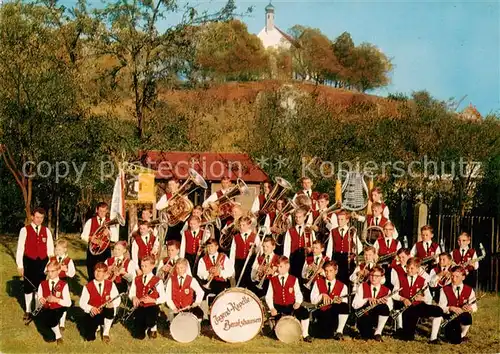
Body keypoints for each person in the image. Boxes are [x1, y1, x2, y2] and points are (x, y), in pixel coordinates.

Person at [16, 207, 54, 321]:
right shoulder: (24, 230)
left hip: (42, 262)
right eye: (37, 217)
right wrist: (20, 265)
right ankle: (28, 310)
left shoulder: (46, 231)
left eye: (41, 218)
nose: (39, 220)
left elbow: (50, 249)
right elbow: (20, 249)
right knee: (28, 288)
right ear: (32, 217)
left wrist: (50, 264)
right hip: (29, 261)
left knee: (40, 287)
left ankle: (38, 309)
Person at [391, 257, 443, 342]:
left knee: (438, 311)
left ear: (418, 269)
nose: (409, 270)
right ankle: (401, 331)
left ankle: (433, 338)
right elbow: (394, 294)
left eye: (412, 268)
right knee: (408, 338)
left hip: (418, 305)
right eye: (407, 267)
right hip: (406, 307)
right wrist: (403, 299)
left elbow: (428, 298)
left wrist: (422, 298)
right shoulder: (400, 278)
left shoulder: (423, 280)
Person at [265, 256, 312, 343]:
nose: (279, 269)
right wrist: (272, 308)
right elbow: (268, 296)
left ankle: (305, 334)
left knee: (304, 312)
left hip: (291, 306)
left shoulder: (294, 279)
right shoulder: (273, 280)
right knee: (277, 330)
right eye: (278, 266)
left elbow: (298, 294)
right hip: (278, 306)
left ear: (287, 266)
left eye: (281, 267)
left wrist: (297, 303)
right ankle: (276, 330)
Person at [79, 262, 121, 342]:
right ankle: (96, 326)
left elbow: (118, 299)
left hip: (106, 311)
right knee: (89, 338)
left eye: (101, 271)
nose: (98, 273)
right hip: (93, 312)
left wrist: (112, 304)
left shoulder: (111, 284)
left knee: (110, 310)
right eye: (96, 271)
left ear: (105, 273)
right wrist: (91, 308)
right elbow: (82, 303)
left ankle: (106, 333)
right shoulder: (88, 286)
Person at [128, 256, 166, 339]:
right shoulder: (136, 279)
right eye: (142, 266)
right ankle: (143, 325)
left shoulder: (157, 281)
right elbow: (131, 293)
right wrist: (134, 297)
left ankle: (153, 327)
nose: (143, 268)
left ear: (152, 266)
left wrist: (153, 300)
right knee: (139, 336)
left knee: (150, 320)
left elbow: (164, 297)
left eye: (146, 266)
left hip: (152, 306)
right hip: (140, 306)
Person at [352, 266, 393, 341]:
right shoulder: (362, 286)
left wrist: (382, 303)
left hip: (378, 318)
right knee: (366, 336)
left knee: (384, 307)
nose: (374, 278)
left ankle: (378, 332)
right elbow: (354, 304)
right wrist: (367, 300)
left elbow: (390, 308)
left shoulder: (387, 290)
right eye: (371, 275)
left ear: (382, 277)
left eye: (377, 276)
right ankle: (367, 331)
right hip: (364, 315)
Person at [310, 261, 349, 340]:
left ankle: (339, 331)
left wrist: (340, 301)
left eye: (331, 271)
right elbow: (313, 301)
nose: (328, 273)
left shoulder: (343, 286)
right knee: (325, 335)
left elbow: (345, 303)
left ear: (336, 271)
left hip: (334, 312)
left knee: (344, 306)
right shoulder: (318, 283)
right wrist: (322, 295)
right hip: (321, 312)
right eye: (326, 271)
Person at [438, 266, 478, 344]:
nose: (454, 279)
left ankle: (462, 335)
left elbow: (475, 306)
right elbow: (441, 307)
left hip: (462, 315)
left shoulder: (469, 289)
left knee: (468, 317)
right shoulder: (444, 289)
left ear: (463, 277)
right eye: (452, 276)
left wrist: (470, 308)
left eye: (457, 276)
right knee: (454, 341)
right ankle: (448, 332)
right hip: (449, 316)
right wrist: (451, 308)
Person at [81, 202, 118, 280]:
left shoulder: (110, 222)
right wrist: (91, 239)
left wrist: (108, 234)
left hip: (105, 251)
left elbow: (115, 238)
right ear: (96, 210)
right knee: (91, 273)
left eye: (104, 211)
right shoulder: (90, 221)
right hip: (92, 252)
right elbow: (83, 236)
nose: (102, 213)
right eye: (100, 211)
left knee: (105, 273)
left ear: (107, 211)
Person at [36, 261, 71, 344]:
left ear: (59, 271)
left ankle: (58, 336)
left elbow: (68, 303)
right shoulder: (42, 284)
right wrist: (40, 299)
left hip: (58, 308)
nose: (50, 274)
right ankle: (54, 334)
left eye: (53, 271)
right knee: (49, 338)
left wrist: (56, 300)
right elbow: (39, 296)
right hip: (46, 308)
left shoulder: (63, 284)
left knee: (51, 317)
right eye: (48, 271)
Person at [45, 239, 75, 329]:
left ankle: (62, 323)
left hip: (64, 282)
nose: (57, 251)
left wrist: (66, 270)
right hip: (53, 283)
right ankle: (53, 318)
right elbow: (45, 271)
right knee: (53, 299)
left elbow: (72, 273)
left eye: (60, 250)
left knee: (63, 301)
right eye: (56, 249)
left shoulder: (69, 260)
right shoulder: (52, 259)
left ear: (65, 250)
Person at [325, 211, 362, 284]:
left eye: (342, 219)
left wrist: (353, 255)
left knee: (347, 277)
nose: (339, 221)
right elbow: (329, 247)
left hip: (347, 257)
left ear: (347, 220)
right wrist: (329, 260)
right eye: (338, 219)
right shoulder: (333, 231)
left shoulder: (352, 231)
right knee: (337, 277)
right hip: (336, 257)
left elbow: (360, 246)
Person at [197, 239, 234, 304]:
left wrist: (220, 272)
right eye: (208, 247)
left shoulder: (223, 257)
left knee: (219, 287)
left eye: (212, 246)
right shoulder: (202, 259)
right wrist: (208, 273)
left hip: (222, 282)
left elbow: (231, 271)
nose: (209, 248)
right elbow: (199, 273)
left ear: (217, 247)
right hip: (209, 282)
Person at [283, 208, 315, 279]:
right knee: (293, 278)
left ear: (305, 217)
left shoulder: (309, 231)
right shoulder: (290, 231)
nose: (297, 219)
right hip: (293, 259)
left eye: (300, 217)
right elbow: (286, 249)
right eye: (296, 217)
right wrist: (286, 263)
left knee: (304, 278)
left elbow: (314, 246)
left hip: (306, 258)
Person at [230, 216, 261, 288]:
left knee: (250, 282)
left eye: (243, 225)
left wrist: (254, 251)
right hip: (239, 263)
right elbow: (232, 253)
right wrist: (232, 267)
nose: (241, 227)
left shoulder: (255, 236)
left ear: (249, 225)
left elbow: (259, 251)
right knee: (240, 282)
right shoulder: (236, 237)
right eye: (240, 225)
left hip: (251, 262)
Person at [156, 177, 185, 242]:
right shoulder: (166, 196)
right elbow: (157, 206)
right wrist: (168, 203)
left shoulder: (183, 195)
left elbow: (187, 207)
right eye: (169, 185)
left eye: (172, 184)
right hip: (170, 223)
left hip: (181, 222)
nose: (171, 186)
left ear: (177, 185)